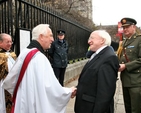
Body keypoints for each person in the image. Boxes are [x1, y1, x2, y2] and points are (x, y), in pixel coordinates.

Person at [2, 24, 76, 113]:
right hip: (32, 104)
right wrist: (68, 92)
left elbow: (11, 81)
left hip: (24, 102)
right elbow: (50, 88)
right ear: (41, 37)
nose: (52, 39)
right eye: (50, 36)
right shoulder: (39, 58)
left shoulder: (25, 52)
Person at [74, 30, 120, 113]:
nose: (89, 41)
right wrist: (78, 89)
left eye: (92, 38)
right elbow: (92, 80)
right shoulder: (97, 54)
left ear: (102, 40)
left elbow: (105, 93)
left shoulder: (109, 58)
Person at [118, 17, 141, 113]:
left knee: (136, 109)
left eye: (127, 27)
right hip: (125, 79)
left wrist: (126, 66)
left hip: (136, 81)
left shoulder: (139, 40)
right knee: (128, 108)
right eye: (124, 27)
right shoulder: (125, 41)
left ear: (134, 27)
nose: (125, 29)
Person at [0, 33, 17, 113]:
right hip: (2, 85)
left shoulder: (12, 54)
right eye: (7, 42)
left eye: (11, 42)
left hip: (13, 84)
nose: (10, 44)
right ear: (0, 42)